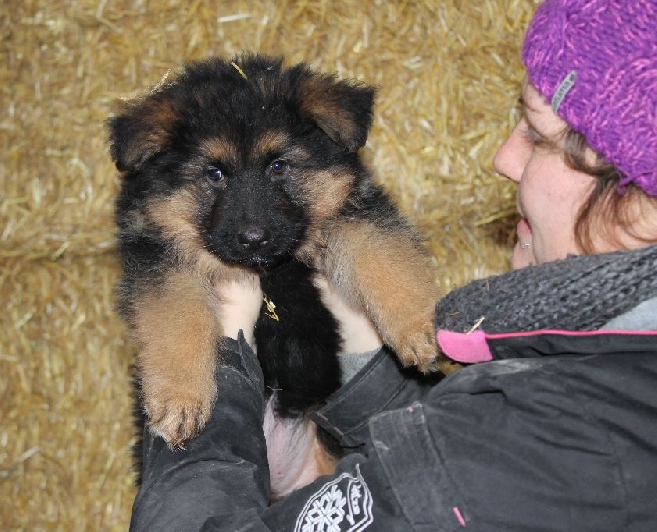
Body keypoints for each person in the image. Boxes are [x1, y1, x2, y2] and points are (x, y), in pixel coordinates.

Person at [130, 0, 657, 529]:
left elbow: (369, 238)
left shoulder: (554, 439)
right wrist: (373, 372)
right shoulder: (610, 393)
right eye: (214, 176)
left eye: (539, 137)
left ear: (638, 199)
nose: (504, 160)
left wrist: (218, 384)